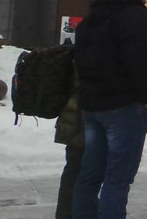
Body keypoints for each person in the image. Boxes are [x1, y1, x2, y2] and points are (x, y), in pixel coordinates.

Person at [72, 0, 147, 219]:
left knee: (90, 174)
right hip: (125, 106)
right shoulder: (135, 16)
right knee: (118, 178)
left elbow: (81, 58)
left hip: (92, 105)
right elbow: (143, 62)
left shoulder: (92, 16)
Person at [54, 45, 83, 219]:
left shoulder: (86, 38)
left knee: (73, 168)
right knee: (78, 170)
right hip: (81, 118)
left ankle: (65, 214)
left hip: (72, 118)